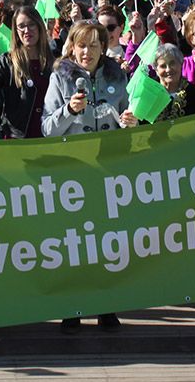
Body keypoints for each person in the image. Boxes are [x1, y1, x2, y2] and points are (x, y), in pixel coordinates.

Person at [41, 20, 138, 334]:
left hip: (109, 171)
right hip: (74, 174)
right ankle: (73, 308)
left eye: (94, 45)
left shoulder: (117, 76)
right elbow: (46, 128)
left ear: (103, 47)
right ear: (72, 46)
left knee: (108, 240)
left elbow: (128, 117)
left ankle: (106, 306)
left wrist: (130, 122)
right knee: (76, 242)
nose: (87, 52)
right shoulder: (60, 78)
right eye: (81, 45)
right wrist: (68, 111)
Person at [0, 5, 54, 138]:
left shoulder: (54, 62)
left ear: (40, 27)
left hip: (49, 137)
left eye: (31, 24)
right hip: (16, 139)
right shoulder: (7, 61)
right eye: (21, 26)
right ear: (15, 31)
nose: (26, 30)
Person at [153, 44, 195, 121]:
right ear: (156, 70)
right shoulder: (147, 97)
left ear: (181, 64)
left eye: (172, 63)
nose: (168, 69)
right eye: (163, 66)